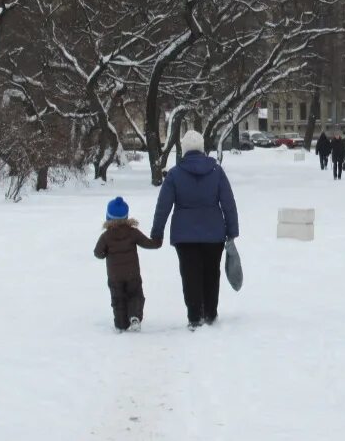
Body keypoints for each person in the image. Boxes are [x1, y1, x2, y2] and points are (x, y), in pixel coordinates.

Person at [151, 130, 240, 330]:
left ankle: (194, 316)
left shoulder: (175, 174)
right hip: (214, 233)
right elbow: (228, 202)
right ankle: (210, 312)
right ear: (202, 148)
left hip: (185, 235)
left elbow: (163, 206)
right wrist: (232, 230)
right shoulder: (216, 171)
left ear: (184, 149)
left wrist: (157, 233)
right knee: (211, 273)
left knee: (190, 274)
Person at [94, 196, 161, 332]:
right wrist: (158, 239)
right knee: (135, 295)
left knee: (118, 299)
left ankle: (120, 323)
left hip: (115, 276)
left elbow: (98, 253)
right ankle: (135, 316)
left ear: (108, 217)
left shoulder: (106, 236)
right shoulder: (132, 233)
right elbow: (150, 244)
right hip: (132, 274)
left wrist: (105, 253)